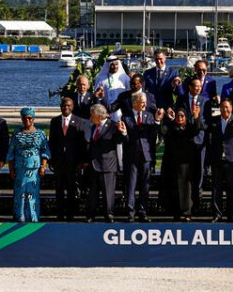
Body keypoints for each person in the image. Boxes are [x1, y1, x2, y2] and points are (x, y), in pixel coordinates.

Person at [83, 103, 127, 223]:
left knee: (108, 194)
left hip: (108, 166)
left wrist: (123, 133)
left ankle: (109, 214)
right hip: (93, 165)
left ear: (99, 115)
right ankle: (90, 215)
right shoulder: (94, 127)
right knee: (92, 193)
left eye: (92, 115)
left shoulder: (113, 126)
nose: (90, 118)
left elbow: (121, 140)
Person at [204, 99, 233, 223]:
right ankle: (217, 214)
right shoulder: (215, 121)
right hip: (217, 159)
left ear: (231, 108)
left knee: (232, 189)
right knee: (216, 189)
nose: (225, 110)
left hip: (232, 159)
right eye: (222, 107)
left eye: (227, 107)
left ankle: (231, 215)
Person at [159, 105, 202, 221]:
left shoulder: (189, 129)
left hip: (186, 166)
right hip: (173, 166)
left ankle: (187, 213)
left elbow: (197, 129)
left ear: (186, 118)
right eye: (178, 116)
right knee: (174, 190)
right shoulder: (171, 128)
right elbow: (163, 131)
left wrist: (196, 117)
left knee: (187, 191)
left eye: (182, 116)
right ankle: (176, 213)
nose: (180, 118)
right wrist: (162, 119)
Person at [7, 107, 49, 223]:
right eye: (25, 118)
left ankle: (33, 218)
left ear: (33, 119)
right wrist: (11, 169)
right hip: (20, 169)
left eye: (30, 118)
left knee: (32, 195)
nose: (27, 121)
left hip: (34, 170)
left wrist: (43, 167)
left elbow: (45, 152)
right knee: (20, 195)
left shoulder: (40, 134)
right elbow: (11, 152)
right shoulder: (17, 133)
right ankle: (20, 218)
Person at [121, 91, 158, 222]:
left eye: (145, 102)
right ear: (134, 103)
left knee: (145, 186)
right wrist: (124, 133)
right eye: (142, 102)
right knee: (131, 185)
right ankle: (130, 213)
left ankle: (143, 212)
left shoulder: (149, 116)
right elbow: (123, 139)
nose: (145, 104)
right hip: (131, 157)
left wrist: (157, 121)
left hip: (146, 156)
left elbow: (153, 135)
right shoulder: (126, 118)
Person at [49, 96, 87, 221]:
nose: (66, 107)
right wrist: (51, 160)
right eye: (64, 105)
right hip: (59, 162)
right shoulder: (54, 122)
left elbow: (82, 144)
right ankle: (59, 215)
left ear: (73, 107)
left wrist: (81, 161)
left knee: (71, 190)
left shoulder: (79, 121)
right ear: (61, 107)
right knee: (59, 190)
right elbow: (52, 142)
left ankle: (70, 215)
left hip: (73, 163)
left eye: (69, 105)